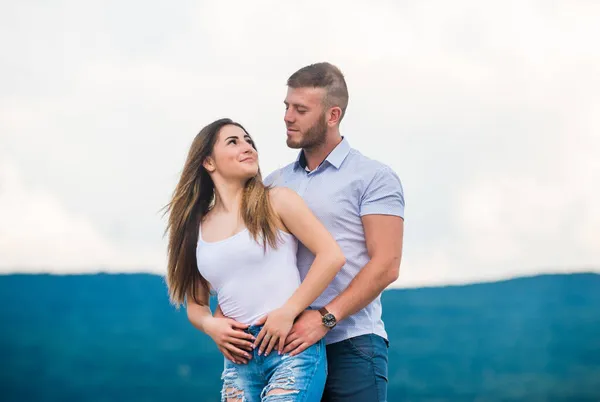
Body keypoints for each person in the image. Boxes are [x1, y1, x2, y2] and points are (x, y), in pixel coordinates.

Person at [220, 63, 405, 401]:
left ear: (332, 115)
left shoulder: (374, 177)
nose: (288, 117)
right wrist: (218, 321)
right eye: (287, 107)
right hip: (282, 347)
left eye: (300, 110)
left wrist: (324, 319)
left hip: (350, 342)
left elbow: (387, 265)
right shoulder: (273, 183)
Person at [164, 118, 346, 401]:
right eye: (233, 142)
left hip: (291, 348)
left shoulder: (277, 201)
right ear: (208, 162)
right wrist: (212, 326)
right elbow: (196, 304)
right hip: (238, 360)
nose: (247, 147)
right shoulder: (196, 228)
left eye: (249, 140)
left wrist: (288, 311)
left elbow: (331, 256)